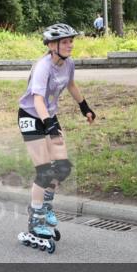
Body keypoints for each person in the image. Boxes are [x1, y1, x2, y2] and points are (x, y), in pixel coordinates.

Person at [16, 23, 96, 253]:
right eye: (65, 41)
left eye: (71, 41)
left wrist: (84, 107)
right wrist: (49, 125)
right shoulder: (43, 66)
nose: (70, 45)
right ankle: (36, 217)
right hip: (31, 116)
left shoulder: (68, 63)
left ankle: (46, 205)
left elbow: (71, 85)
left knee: (62, 167)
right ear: (52, 45)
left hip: (49, 117)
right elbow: (38, 100)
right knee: (44, 171)